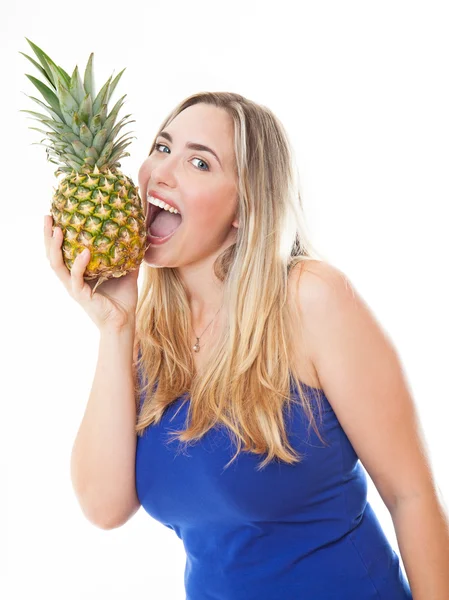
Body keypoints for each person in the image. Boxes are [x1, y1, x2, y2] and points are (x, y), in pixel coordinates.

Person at [44, 92, 449, 599]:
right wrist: (114, 327)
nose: (162, 172)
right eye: (161, 147)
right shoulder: (151, 334)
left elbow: (411, 495)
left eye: (199, 161)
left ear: (245, 206)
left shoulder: (311, 298)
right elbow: (103, 507)